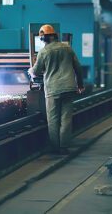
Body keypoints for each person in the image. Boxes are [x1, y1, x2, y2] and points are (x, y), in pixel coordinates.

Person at [28, 24, 85, 155]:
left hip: (53, 90)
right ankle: (64, 146)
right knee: (66, 119)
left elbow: (36, 71)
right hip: (69, 88)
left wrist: (30, 71)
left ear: (43, 39)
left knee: (53, 119)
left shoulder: (43, 52)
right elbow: (78, 67)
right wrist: (80, 85)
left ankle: (55, 147)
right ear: (55, 35)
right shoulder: (67, 48)